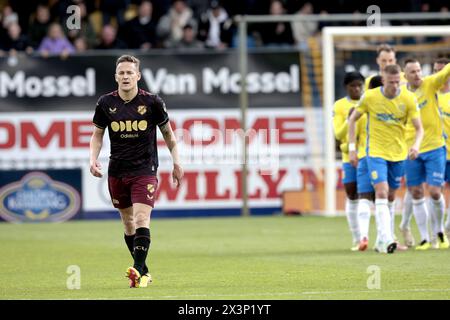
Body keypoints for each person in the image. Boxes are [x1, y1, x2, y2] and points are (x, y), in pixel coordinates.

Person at [89, 55, 184, 288]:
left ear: (138, 76)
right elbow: (97, 135)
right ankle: (144, 272)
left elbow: (169, 135)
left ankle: (137, 269)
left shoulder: (152, 102)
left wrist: (177, 162)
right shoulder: (105, 103)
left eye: (130, 73)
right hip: (117, 170)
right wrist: (92, 159)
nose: (125, 76)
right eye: (121, 73)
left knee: (142, 218)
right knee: (128, 223)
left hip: (145, 168)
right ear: (116, 77)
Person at [348, 64, 424, 254]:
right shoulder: (371, 97)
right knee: (381, 192)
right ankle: (387, 238)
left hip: (398, 154)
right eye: (391, 82)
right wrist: (351, 149)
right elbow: (352, 120)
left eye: (398, 82)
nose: (395, 86)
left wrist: (415, 146)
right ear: (383, 80)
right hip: (376, 153)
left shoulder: (408, 98)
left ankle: (382, 240)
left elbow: (419, 128)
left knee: (390, 197)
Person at [403, 58, 450, 250]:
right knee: (415, 192)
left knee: (435, 191)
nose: (417, 74)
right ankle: (423, 238)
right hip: (411, 149)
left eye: (419, 70)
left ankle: (439, 232)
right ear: (404, 75)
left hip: (435, 147)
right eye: (413, 72)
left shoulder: (430, 84)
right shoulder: (401, 94)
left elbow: (445, 72)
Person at [333, 71, 365, 251]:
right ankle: (357, 238)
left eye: (359, 85)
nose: (357, 88)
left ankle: (384, 236)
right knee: (352, 194)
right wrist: (350, 119)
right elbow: (338, 134)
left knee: (376, 196)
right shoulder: (339, 106)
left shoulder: (369, 102)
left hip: (370, 155)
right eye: (353, 85)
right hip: (349, 158)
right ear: (346, 87)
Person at [435, 58, 450, 243]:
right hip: (435, 151)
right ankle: (435, 231)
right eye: (435, 70)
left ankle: (446, 227)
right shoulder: (429, 93)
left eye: (441, 70)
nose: (438, 73)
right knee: (434, 191)